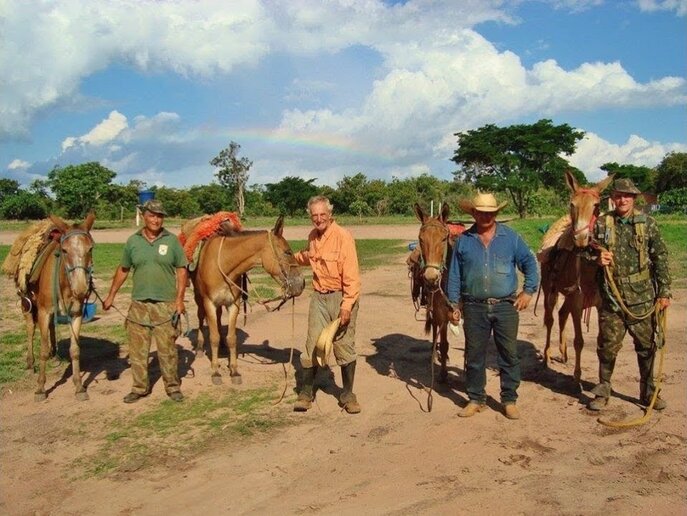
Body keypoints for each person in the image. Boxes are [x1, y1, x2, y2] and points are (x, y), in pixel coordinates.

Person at [447, 192, 539, 420]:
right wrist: (453, 304)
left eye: (490, 213)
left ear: (496, 213)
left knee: (508, 354)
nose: (485, 216)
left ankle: (509, 399)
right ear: (474, 213)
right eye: (480, 212)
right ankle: (476, 398)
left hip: (505, 306)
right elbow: (454, 275)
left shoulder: (511, 238)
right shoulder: (464, 241)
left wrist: (528, 291)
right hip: (473, 306)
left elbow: (529, 263)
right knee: (474, 355)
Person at [587, 178, 671, 411]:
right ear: (612, 199)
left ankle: (648, 392)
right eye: (618, 196)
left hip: (642, 299)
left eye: (627, 196)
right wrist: (596, 258)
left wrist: (664, 292)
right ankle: (603, 390)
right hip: (611, 300)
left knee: (646, 347)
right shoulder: (602, 224)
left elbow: (660, 258)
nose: (622, 200)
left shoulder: (648, 224)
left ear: (634, 199)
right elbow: (585, 252)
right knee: (607, 347)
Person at [103, 200, 188, 403]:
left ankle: (173, 386)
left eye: (160, 216)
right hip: (139, 304)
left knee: (167, 349)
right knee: (138, 351)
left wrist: (179, 300)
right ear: (144, 216)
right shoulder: (133, 241)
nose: (156, 220)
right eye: (152, 215)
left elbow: (182, 269)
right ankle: (140, 388)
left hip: (165, 304)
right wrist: (111, 295)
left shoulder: (172, 241)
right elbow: (123, 269)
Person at [293, 195, 362, 414]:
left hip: (341, 298)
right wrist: (288, 258)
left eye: (323, 214)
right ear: (310, 217)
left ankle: (347, 394)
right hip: (319, 298)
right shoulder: (313, 236)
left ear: (330, 214)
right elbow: (309, 256)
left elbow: (352, 276)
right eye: (315, 215)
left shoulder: (343, 237)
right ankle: (306, 393)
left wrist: (347, 305)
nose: (319, 219)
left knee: (344, 345)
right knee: (312, 344)